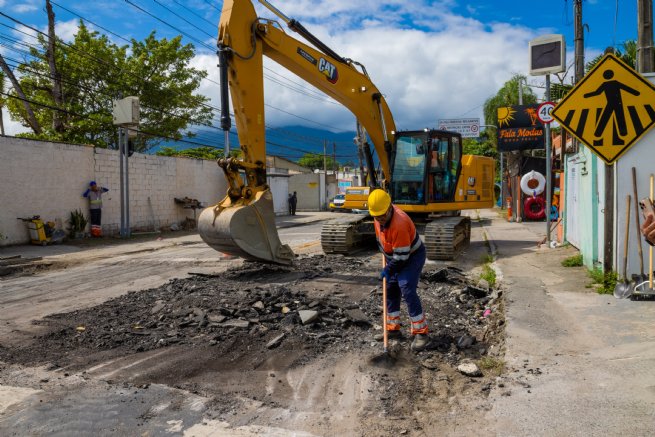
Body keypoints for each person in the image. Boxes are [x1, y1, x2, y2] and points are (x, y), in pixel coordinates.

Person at [368, 189, 429, 352]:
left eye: (382, 215)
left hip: (412, 256)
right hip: (395, 256)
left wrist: (389, 269)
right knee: (390, 288)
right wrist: (387, 261)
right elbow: (381, 241)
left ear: (389, 208)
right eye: (376, 216)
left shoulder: (399, 223)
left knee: (407, 287)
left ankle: (421, 333)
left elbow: (402, 258)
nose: (380, 219)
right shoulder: (377, 217)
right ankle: (393, 330)